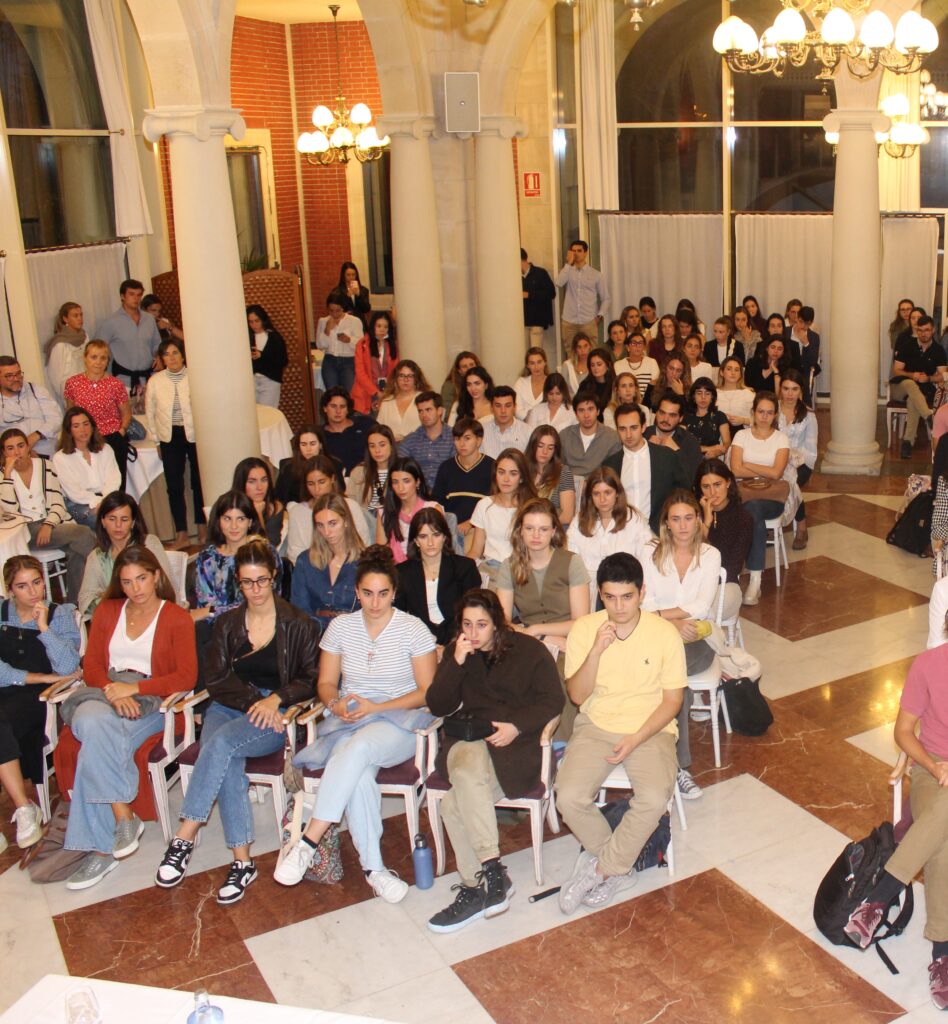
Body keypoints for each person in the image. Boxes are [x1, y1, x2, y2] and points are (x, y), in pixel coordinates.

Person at [155, 540, 318, 903]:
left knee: (220, 746)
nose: (255, 590)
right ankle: (242, 862)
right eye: (247, 582)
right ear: (238, 583)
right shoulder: (228, 623)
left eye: (262, 580)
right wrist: (250, 702)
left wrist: (274, 699)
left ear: (274, 578)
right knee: (225, 758)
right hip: (230, 707)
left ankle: (184, 836)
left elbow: (310, 678)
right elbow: (215, 679)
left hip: (274, 715)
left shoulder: (298, 622)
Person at [274, 546, 437, 901]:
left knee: (359, 748)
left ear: (394, 592)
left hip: (401, 723)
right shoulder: (341, 627)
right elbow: (326, 684)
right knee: (359, 772)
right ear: (356, 592)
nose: (375, 602)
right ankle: (375, 869)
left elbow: (426, 692)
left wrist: (377, 706)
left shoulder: (413, 629)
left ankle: (309, 839)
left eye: (382, 594)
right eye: (367, 593)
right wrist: (336, 704)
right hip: (348, 722)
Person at [554, 551, 686, 914]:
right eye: (610, 597)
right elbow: (578, 696)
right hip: (596, 725)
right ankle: (617, 865)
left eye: (627, 597)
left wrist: (636, 738)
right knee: (567, 796)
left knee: (655, 796)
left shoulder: (663, 634)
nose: (619, 606)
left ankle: (600, 869)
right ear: (600, 593)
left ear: (642, 592)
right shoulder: (585, 630)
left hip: (651, 729)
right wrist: (596, 650)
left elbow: (672, 701)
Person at [424, 588, 563, 932]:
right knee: (468, 765)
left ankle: (474, 888)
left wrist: (517, 727)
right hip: (467, 740)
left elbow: (552, 701)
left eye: (481, 625)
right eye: (467, 625)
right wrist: (454, 663)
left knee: (453, 806)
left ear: (497, 624)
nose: (473, 633)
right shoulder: (460, 654)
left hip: (513, 748)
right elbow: (438, 705)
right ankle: (492, 869)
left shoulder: (529, 651)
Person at [60, 546, 197, 890]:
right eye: (126, 582)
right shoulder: (107, 612)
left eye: (141, 579)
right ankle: (123, 815)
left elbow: (186, 678)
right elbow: (91, 666)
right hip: (105, 694)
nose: (135, 588)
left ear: (156, 576)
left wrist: (134, 689)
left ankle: (100, 851)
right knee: (93, 722)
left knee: (95, 736)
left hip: (153, 701)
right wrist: (112, 691)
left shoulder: (176, 617)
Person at [841, 641, 948, 1009]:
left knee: (942, 826)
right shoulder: (929, 664)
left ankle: (879, 897)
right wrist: (934, 767)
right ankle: (942, 954)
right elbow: (903, 732)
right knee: (944, 835)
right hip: (932, 771)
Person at [641, 489, 721, 799]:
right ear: (667, 524)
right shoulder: (651, 553)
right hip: (659, 637)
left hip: (697, 639)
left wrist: (663, 617)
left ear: (699, 520)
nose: (684, 526)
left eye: (689, 518)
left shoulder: (711, 554)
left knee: (667, 677)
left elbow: (702, 605)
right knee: (673, 682)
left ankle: (675, 765)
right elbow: (642, 603)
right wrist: (670, 623)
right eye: (676, 519)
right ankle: (674, 766)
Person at [0, 554, 81, 848]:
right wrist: (33, 676)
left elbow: (67, 666)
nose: (33, 592)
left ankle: (24, 808)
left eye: (37, 583)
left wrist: (44, 628)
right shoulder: (1, 611)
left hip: (39, 700)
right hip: (19, 686)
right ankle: (24, 807)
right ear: (10, 590)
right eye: (22, 586)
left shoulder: (59, 613)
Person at [496, 497, 589, 738]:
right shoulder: (509, 566)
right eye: (529, 528)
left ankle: (561, 743)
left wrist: (540, 630)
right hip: (528, 641)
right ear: (520, 531)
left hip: (569, 639)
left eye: (543, 529)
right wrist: (536, 636)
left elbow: (581, 621)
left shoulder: (572, 562)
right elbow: (502, 622)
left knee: (558, 676)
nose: (536, 535)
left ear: (554, 531)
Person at [0, 428, 96, 603]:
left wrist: (49, 524)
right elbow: (10, 513)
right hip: (25, 531)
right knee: (83, 533)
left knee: (78, 551)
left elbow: (58, 503)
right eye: (10, 448)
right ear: (4, 452)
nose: (17, 452)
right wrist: (7, 475)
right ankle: (109, 573)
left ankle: (75, 606)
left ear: (28, 447)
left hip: (52, 525)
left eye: (21, 446)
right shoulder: (2, 476)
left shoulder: (45, 466)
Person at [729, 391, 795, 607]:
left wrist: (748, 466)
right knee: (751, 510)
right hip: (744, 494)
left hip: (771, 497)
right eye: (760, 412)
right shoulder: (741, 436)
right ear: (753, 412)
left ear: (775, 415)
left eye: (769, 413)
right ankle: (753, 577)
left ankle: (753, 579)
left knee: (754, 509)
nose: (764, 417)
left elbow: (777, 473)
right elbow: (734, 468)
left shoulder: (781, 438)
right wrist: (762, 470)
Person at [144, 338, 206, 551]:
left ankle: (203, 528)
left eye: (175, 353)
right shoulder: (156, 381)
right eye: (167, 354)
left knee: (199, 483)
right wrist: (156, 440)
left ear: (182, 355)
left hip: (195, 435)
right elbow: (150, 412)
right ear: (161, 359)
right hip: (169, 437)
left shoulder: (196, 376)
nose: (171, 358)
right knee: (174, 486)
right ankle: (182, 534)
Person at [77, 491, 172, 618]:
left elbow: (164, 586)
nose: (118, 525)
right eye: (112, 519)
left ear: (133, 522)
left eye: (124, 519)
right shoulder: (96, 556)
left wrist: (106, 596)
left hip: (154, 615)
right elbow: (84, 601)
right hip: (116, 620)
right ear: (103, 521)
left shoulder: (149, 544)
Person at [191, 491, 281, 625]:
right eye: (227, 519)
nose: (234, 526)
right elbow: (203, 605)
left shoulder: (265, 552)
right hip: (216, 628)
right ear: (218, 521)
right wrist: (208, 612)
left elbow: (265, 601)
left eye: (241, 519)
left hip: (260, 624)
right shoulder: (207, 558)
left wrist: (210, 611)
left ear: (250, 522)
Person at [567, 466, 653, 605]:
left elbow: (647, 556)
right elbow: (570, 558)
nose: (602, 499)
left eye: (608, 492)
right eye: (596, 494)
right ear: (589, 496)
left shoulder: (633, 518)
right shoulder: (579, 519)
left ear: (617, 493)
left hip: (623, 588)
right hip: (587, 588)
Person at [395, 507, 480, 647]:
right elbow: (399, 617)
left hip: (459, 640)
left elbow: (473, 612)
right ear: (415, 540)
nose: (430, 542)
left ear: (445, 537)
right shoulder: (402, 572)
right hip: (418, 641)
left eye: (436, 535)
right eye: (423, 536)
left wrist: (451, 645)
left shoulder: (465, 567)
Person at [603, 404, 687, 534]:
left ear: (643, 427)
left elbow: (684, 493)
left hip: (660, 533)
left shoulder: (666, 457)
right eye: (623, 429)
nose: (628, 434)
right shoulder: (610, 464)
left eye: (634, 428)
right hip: (621, 532)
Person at [63, 340, 132, 489]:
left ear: (108, 361)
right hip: (84, 439)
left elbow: (126, 413)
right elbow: (70, 413)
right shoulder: (72, 383)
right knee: (88, 483)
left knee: (116, 484)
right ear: (85, 358)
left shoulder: (115, 384)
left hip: (112, 437)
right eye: (94, 357)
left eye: (103, 358)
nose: (98, 362)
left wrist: (121, 431)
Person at [695, 459, 752, 623]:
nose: (712, 492)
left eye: (717, 484)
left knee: (698, 615)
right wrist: (706, 523)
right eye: (706, 487)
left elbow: (732, 568)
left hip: (725, 585)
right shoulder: (691, 514)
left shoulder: (743, 518)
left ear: (728, 482)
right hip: (692, 583)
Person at [291, 494, 365, 621]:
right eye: (320, 525)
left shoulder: (365, 561)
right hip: (315, 631)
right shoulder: (305, 561)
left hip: (354, 633)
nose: (327, 532)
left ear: (346, 521)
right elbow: (300, 609)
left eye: (332, 523)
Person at [287, 454, 372, 563]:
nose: (317, 489)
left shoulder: (351, 506)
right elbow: (295, 555)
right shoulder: (297, 512)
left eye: (322, 482)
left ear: (332, 478)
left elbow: (363, 545)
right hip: (312, 570)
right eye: (311, 484)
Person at [52, 408, 121, 529]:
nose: (83, 430)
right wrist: (97, 502)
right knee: (104, 520)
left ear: (92, 426)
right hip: (77, 502)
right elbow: (74, 492)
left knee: (128, 514)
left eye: (86, 424)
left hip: (106, 498)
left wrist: (104, 502)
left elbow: (114, 479)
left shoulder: (105, 449)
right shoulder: (60, 458)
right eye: (76, 426)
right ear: (69, 430)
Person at [468, 449, 536, 570]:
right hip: (490, 568)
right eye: (501, 472)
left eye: (513, 473)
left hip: (521, 569)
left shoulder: (531, 508)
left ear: (521, 478)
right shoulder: (484, 505)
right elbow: (475, 551)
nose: (506, 479)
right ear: (495, 474)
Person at [891, 315, 945, 460]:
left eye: (926, 330)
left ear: (933, 330)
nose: (923, 333)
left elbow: (943, 375)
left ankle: (907, 443)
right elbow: (896, 370)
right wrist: (911, 374)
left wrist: (929, 378)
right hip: (900, 388)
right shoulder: (908, 345)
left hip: (922, 391)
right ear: (916, 331)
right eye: (920, 330)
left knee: (912, 401)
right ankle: (928, 415)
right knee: (910, 384)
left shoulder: (938, 350)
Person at [93, 279, 161, 394]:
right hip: (123, 382)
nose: (136, 298)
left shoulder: (149, 319)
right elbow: (97, 350)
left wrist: (159, 357)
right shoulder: (111, 322)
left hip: (149, 379)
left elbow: (157, 344)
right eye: (131, 294)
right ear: (122, 296)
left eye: (139, 295)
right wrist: (102, 378)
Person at [432, 417, 494, 540]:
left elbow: (495, 504)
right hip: (449, 529)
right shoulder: (446, 467)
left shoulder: (492, 467)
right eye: (457, 439)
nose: (462, 443)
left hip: (480, 529)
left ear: (478, 440)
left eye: (467, 438)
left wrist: (471, 523)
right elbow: (437, 503)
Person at [778, 370, 817, 550]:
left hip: (801, 463)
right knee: (771, 480)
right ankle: (771, 524)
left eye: (794, 389)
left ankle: (801, 527)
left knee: (789, 482)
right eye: (786, 388)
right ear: (780, 389)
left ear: (801, 391)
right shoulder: (772, 410)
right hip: (775, 461)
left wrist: (798, 465)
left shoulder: (808, 415)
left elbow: (811, 451)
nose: (790, 394)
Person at [376, 456, 441, 563]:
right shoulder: (385, 512)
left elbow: (439, 547)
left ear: (417, 482)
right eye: (395, 482)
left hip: (426, 566)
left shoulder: (432, 508)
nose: (401, 488)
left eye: (406, 481)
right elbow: (381, 553)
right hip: (395, 569)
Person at [0, 357, 63, 457]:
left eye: (18, 374)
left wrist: (36, 435)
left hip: (45, 451)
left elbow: (56, 420)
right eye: (9, 376)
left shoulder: (37, 391)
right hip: (14, 457)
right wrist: (22, 448)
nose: (16, 379)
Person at [555, 240, 607, 356]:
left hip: (588, 320)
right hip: (569, 320)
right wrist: (568, 263)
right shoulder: (567, 271)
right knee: (570, 352)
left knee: (592, 352)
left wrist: (600, 315)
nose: (576, 253)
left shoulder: (596, 274)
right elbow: (558, 282)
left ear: (585, 253)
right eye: (573, 251)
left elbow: (606, 298)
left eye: (579, 251)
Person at [274, 422, 343, 507]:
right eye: (304, 444)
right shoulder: (288, 467)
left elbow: (340, 493)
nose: (308, 449)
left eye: (313, 444)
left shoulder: (334, 464)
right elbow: (279, 499)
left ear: (320, 445)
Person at [399, 391, 454, 490]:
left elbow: (456, 471)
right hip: (418, 493)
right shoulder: (410, 440)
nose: (424, 415)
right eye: (420, 411)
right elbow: (401, 468)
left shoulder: (454, 438)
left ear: (440, 411)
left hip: (446, 492)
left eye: (428, 410)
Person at [645, 392, 703, 487]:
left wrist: (677, 452)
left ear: (680, 418)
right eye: (662, 412)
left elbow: (693, 480)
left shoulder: (690, 442)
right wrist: (645, 449)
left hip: (675, 496)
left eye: (672, 415)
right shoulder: (643, 436)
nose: (665, 419)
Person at [559, 393, 621, 482]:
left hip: (598, 487)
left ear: (598, 411)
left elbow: (613, 473)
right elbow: (558, 467)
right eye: (581, 410)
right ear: (576, 414)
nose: (586, 415)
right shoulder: (564, 436)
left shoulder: (612, 437)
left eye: (590, 409)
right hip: (569, 487)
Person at [347, 424, 398, 526]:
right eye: (372, 446)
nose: (377, 450)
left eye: (382, 445)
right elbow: (350, 505)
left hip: (392, 521)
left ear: (391, 445)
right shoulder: (359, 472)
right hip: (364, 521)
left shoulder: (401, 470)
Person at [525, 425, 575, 526]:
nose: (545, 452)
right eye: (540, 446)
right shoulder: (522, 469)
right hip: (524, 528)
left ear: (555, 451)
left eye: (550, 448)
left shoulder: (563, 472)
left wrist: (540, 525)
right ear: (533, 446)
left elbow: (567, 516)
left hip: (552, 529)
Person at [232, 457, 285, 549]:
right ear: (241, 483)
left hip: (262, 559)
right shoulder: (228, 505)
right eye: (252, 481)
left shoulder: (276, 507)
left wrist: (258, 514)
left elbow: (269, 547)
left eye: (264, 480)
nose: (260, 487)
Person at [316, 290, 363, 393]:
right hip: (330, 361)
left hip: (348, 361)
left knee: (349, 394)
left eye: (338, 310)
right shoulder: (323, 321)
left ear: (343, 308)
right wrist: (327, 330)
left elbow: (361, 345)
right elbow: (320, 345)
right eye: (331, 310)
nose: (334, 313)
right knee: (332, 394)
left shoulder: (354, 321)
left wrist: (349, 340)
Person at [352, 311, 397, 415]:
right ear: (373, 326)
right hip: (366, 391)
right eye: (379, 326)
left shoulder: (393, 346)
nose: (382, 329)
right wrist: (376, 392)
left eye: (385, 327)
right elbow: (360, 372)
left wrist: (387, 392)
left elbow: (395, 370)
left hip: (387, 392)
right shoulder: (362, 344)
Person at [376, 360, 431, 442]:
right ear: (396, 378)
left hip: (418, 447)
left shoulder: (425, 399)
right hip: (391, 449)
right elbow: (379, 431)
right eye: (401, 375)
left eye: (410, 376)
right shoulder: (386, 402)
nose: (406, 380)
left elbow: (431, 428)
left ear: (416, 379)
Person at [44, 302, 87, 406]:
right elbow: (55, 376)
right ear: (65, 319)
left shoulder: (85, 336)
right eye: (75, 316)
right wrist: (67, 397)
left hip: (87, 388)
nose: (79, 318)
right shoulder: (60, 343)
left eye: (81, 315)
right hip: (71, 394)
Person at [321, 387, 371, 474]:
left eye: (342, 406)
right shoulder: (320, 435)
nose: (338, 411)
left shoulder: (366, 424)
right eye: (333, 406)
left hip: (366, 477)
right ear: (325, 408)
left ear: (348, 409)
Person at [246, 304, 288, 408]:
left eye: (257, 321)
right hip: (251, 380)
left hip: (270, 381)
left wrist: (262, 355)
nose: (254, 325)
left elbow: (282, 360)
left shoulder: (274, 337)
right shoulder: (246, 337)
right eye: (251, 322)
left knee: (268, 413)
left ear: (263, 320)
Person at [684, 378, 730, 460]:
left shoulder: (719, 416)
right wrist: (712, 448)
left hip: (711, 459)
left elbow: (726, 444)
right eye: (699, 393)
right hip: (688, 458)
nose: (703, 397)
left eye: (707, 393)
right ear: (693, 396)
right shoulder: (686, 416)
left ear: (712, 397)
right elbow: (681, 443)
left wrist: (716, 452)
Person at [480, 386, 531, 459]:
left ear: (514, 407)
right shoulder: (482, 432)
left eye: (508, 406)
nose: (503, 411)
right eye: (498, 406)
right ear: (491, 407)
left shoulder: (528, 432)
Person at [521, 248, 556, 347]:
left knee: (536, 351)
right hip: (521, 322)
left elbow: (551, 293)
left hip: (537, 321)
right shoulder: (515, 276)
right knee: (523, 353)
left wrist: (529, 295)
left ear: (522, 259)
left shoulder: (540, 273)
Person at [614, 332, 659, 400]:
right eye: (634, 343)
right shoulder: (618, 365)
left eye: (640, 343)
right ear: (627, 347)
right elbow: (617, 388)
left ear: (644, 347)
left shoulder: (652, 362)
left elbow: (655, 386)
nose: (637, 346)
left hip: (647, 401)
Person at [716, 356, 755, 431]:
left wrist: (743, 420)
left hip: (742, 435)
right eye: (729, 369)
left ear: (740, 374)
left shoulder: (748, 394)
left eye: (737, 370)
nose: (733, 373)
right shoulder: (714, 393)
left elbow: (759, 421)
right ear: (721, 372)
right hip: (717, 436)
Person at [513, 347, 549, 422]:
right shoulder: (521, 382)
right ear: (527, 365)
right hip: (523, 425)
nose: (536, 367)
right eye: (532, 363)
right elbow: (516, 408)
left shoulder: (551, 383)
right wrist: (530, 418)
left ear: (545, 362)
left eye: (539, 362)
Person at [582, 348, 615, 418]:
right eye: (592, 365)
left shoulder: (615, 384)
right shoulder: (585, 385)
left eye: (599, 364)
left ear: (608, 365)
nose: (595, 368)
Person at [337, 261, 371, 325]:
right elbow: (337, 309)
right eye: (348, 275)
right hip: (345, 323)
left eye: (353, 274)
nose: (351, 277)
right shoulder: (338, 291)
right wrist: (348, 297)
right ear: (343, 275)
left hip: (360, 323)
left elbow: (366, 309)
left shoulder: (363, 290)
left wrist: (358, 295)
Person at [559, 332, 591, 397]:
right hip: (571, 403)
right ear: (575, 349)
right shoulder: (567, 365)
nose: (583, 350)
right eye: (579, 347)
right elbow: (562, 389)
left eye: (585, 346)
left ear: (590, 346)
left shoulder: (594, 365)